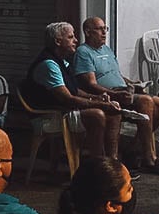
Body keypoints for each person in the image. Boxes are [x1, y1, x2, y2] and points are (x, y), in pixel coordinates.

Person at [74, 16, 159, 176]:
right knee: (146, 100)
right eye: (100, 29)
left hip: (121, 90)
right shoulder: (83, 52)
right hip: (108, 94)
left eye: (105, 29)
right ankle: (149, 158)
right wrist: (115, 93)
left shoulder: (106, 50)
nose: (104, 33)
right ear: (88, 32)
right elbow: (91, 84)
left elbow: (117, 75)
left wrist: (133, 84)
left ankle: (133, 149)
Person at [19, 21, 123, 160]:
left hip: (62, 110)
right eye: (70, 37)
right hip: (49, 116)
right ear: (57, 41)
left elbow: (74, 90)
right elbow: (68, 98)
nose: (76, 40)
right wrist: (100, 105)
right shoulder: (49, 65)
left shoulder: (63, 61)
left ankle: (112, 161)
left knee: (114, 113)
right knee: (97, 114)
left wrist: (95, 97)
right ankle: (98, 163)